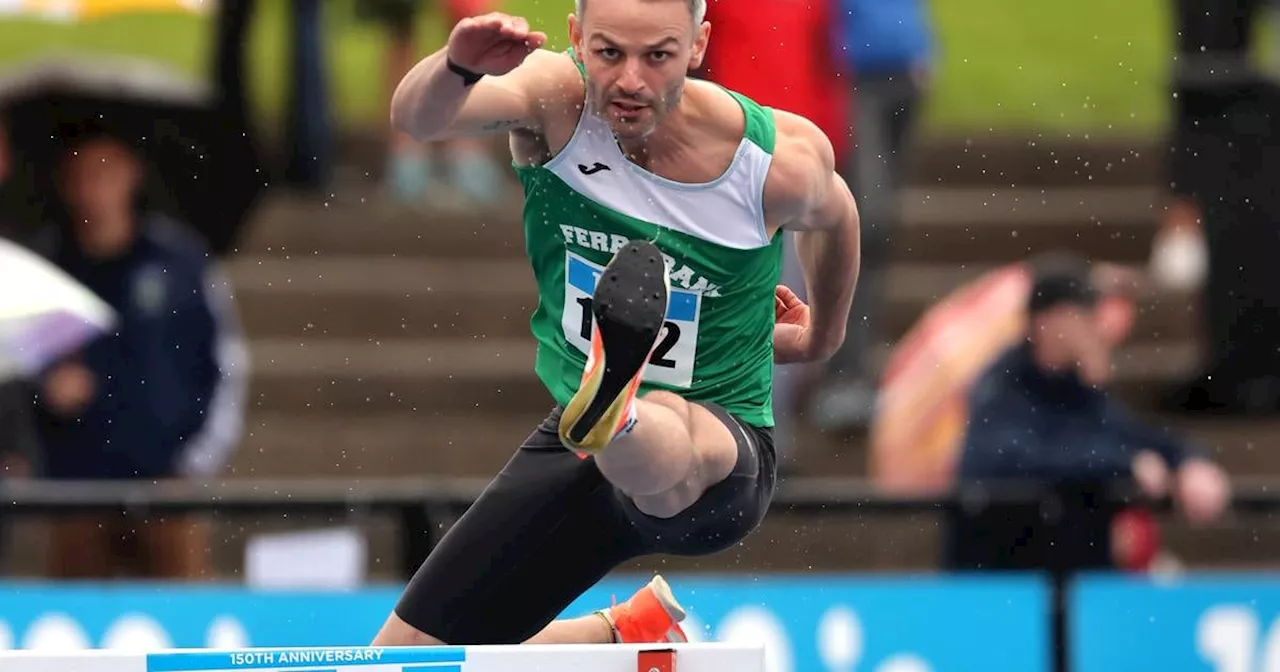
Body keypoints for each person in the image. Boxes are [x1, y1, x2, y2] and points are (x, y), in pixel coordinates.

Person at [376, 0, 860, 648]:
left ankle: (622, 407)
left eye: (657, 56)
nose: (630, 80)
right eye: (609, 54)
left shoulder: (770, 162)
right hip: (578, 448)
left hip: (719, 463)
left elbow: (838, 217)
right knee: (404, 662)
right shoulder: (556, 99)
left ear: (697, 46)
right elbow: (418, 117)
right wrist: (458, 65)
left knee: (678, 430)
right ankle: (620, 630)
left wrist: (824, 334)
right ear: (577, 37)